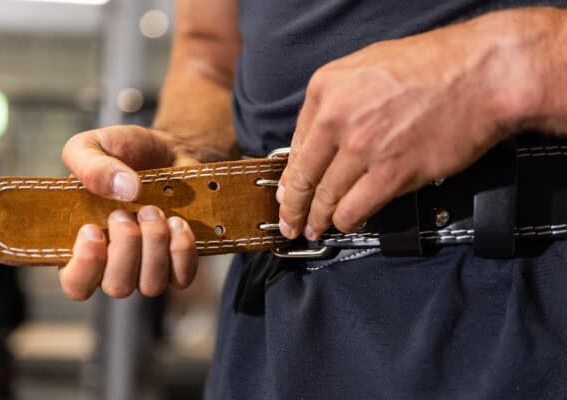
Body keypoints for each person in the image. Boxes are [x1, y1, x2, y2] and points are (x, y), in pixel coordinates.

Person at [60, 1, 567, 398]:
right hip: (276, 325)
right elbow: (208, 55)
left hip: (533, 289)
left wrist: (511, 66)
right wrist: (192, 151)